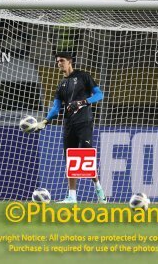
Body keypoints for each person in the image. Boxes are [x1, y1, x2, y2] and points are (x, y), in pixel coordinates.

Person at [32, 51, 106, 203]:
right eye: (58, 61)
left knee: (85, 155)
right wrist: (45, 121)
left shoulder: (83, 76)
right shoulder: (61, 85)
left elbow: (100, 95)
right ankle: (72, 197)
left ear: (70, 61)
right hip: (68, 125)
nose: (59, 63)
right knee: (70, 161)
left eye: (62, 60)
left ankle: (99, 190)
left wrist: (83, 102)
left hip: (84, 122)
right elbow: (56, 107)